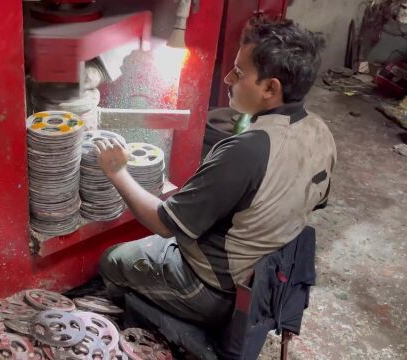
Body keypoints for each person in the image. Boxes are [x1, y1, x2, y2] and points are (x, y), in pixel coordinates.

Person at [94, 18, 336, 326]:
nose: (227, 78)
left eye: (239, 72)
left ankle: (142, 322)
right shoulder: (321, 131)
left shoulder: (247, 151)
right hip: (267, 271)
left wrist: (117, 172)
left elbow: (165, 224)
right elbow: (316, 201)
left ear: (270, 88)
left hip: (214, 288)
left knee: (112, 261)